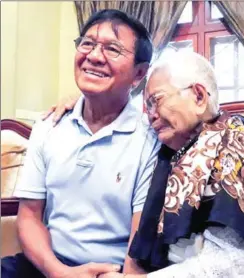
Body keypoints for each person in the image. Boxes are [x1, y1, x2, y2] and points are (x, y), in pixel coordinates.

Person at [49, 51, 244, 278]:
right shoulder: (171, 147)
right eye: (147, 107)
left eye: (156, 101)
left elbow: (229, 265)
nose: (151, 114)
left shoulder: (239, 143)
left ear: (198, 96)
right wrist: (83, 104)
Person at [1, 9, 160, 278]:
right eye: (87, 43)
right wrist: (57, 271)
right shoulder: (48, 126)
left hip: (111, 271)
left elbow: (140, 237)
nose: (94, 56)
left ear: (139, 73)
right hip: (49, 265)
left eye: (113, 49)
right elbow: (28, 216)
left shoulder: (151, 139)